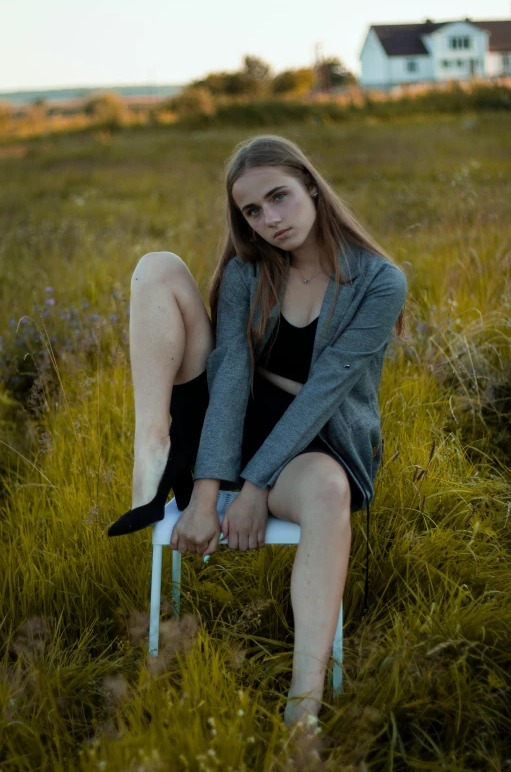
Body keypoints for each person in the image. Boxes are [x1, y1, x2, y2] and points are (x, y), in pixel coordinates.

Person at [107, 134, 408, 730]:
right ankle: (155, 447)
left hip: (313, 439)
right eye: (252, 210)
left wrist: (252, 489)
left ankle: (305, 712)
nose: (270, 219)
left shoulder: (379, 282)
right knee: (158, 268)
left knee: (328, 490)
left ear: (312, 189)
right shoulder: (250, 272)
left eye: (280, 198)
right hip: (229, 423)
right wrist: (203, 493)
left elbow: (323, 394)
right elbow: (232, 376)